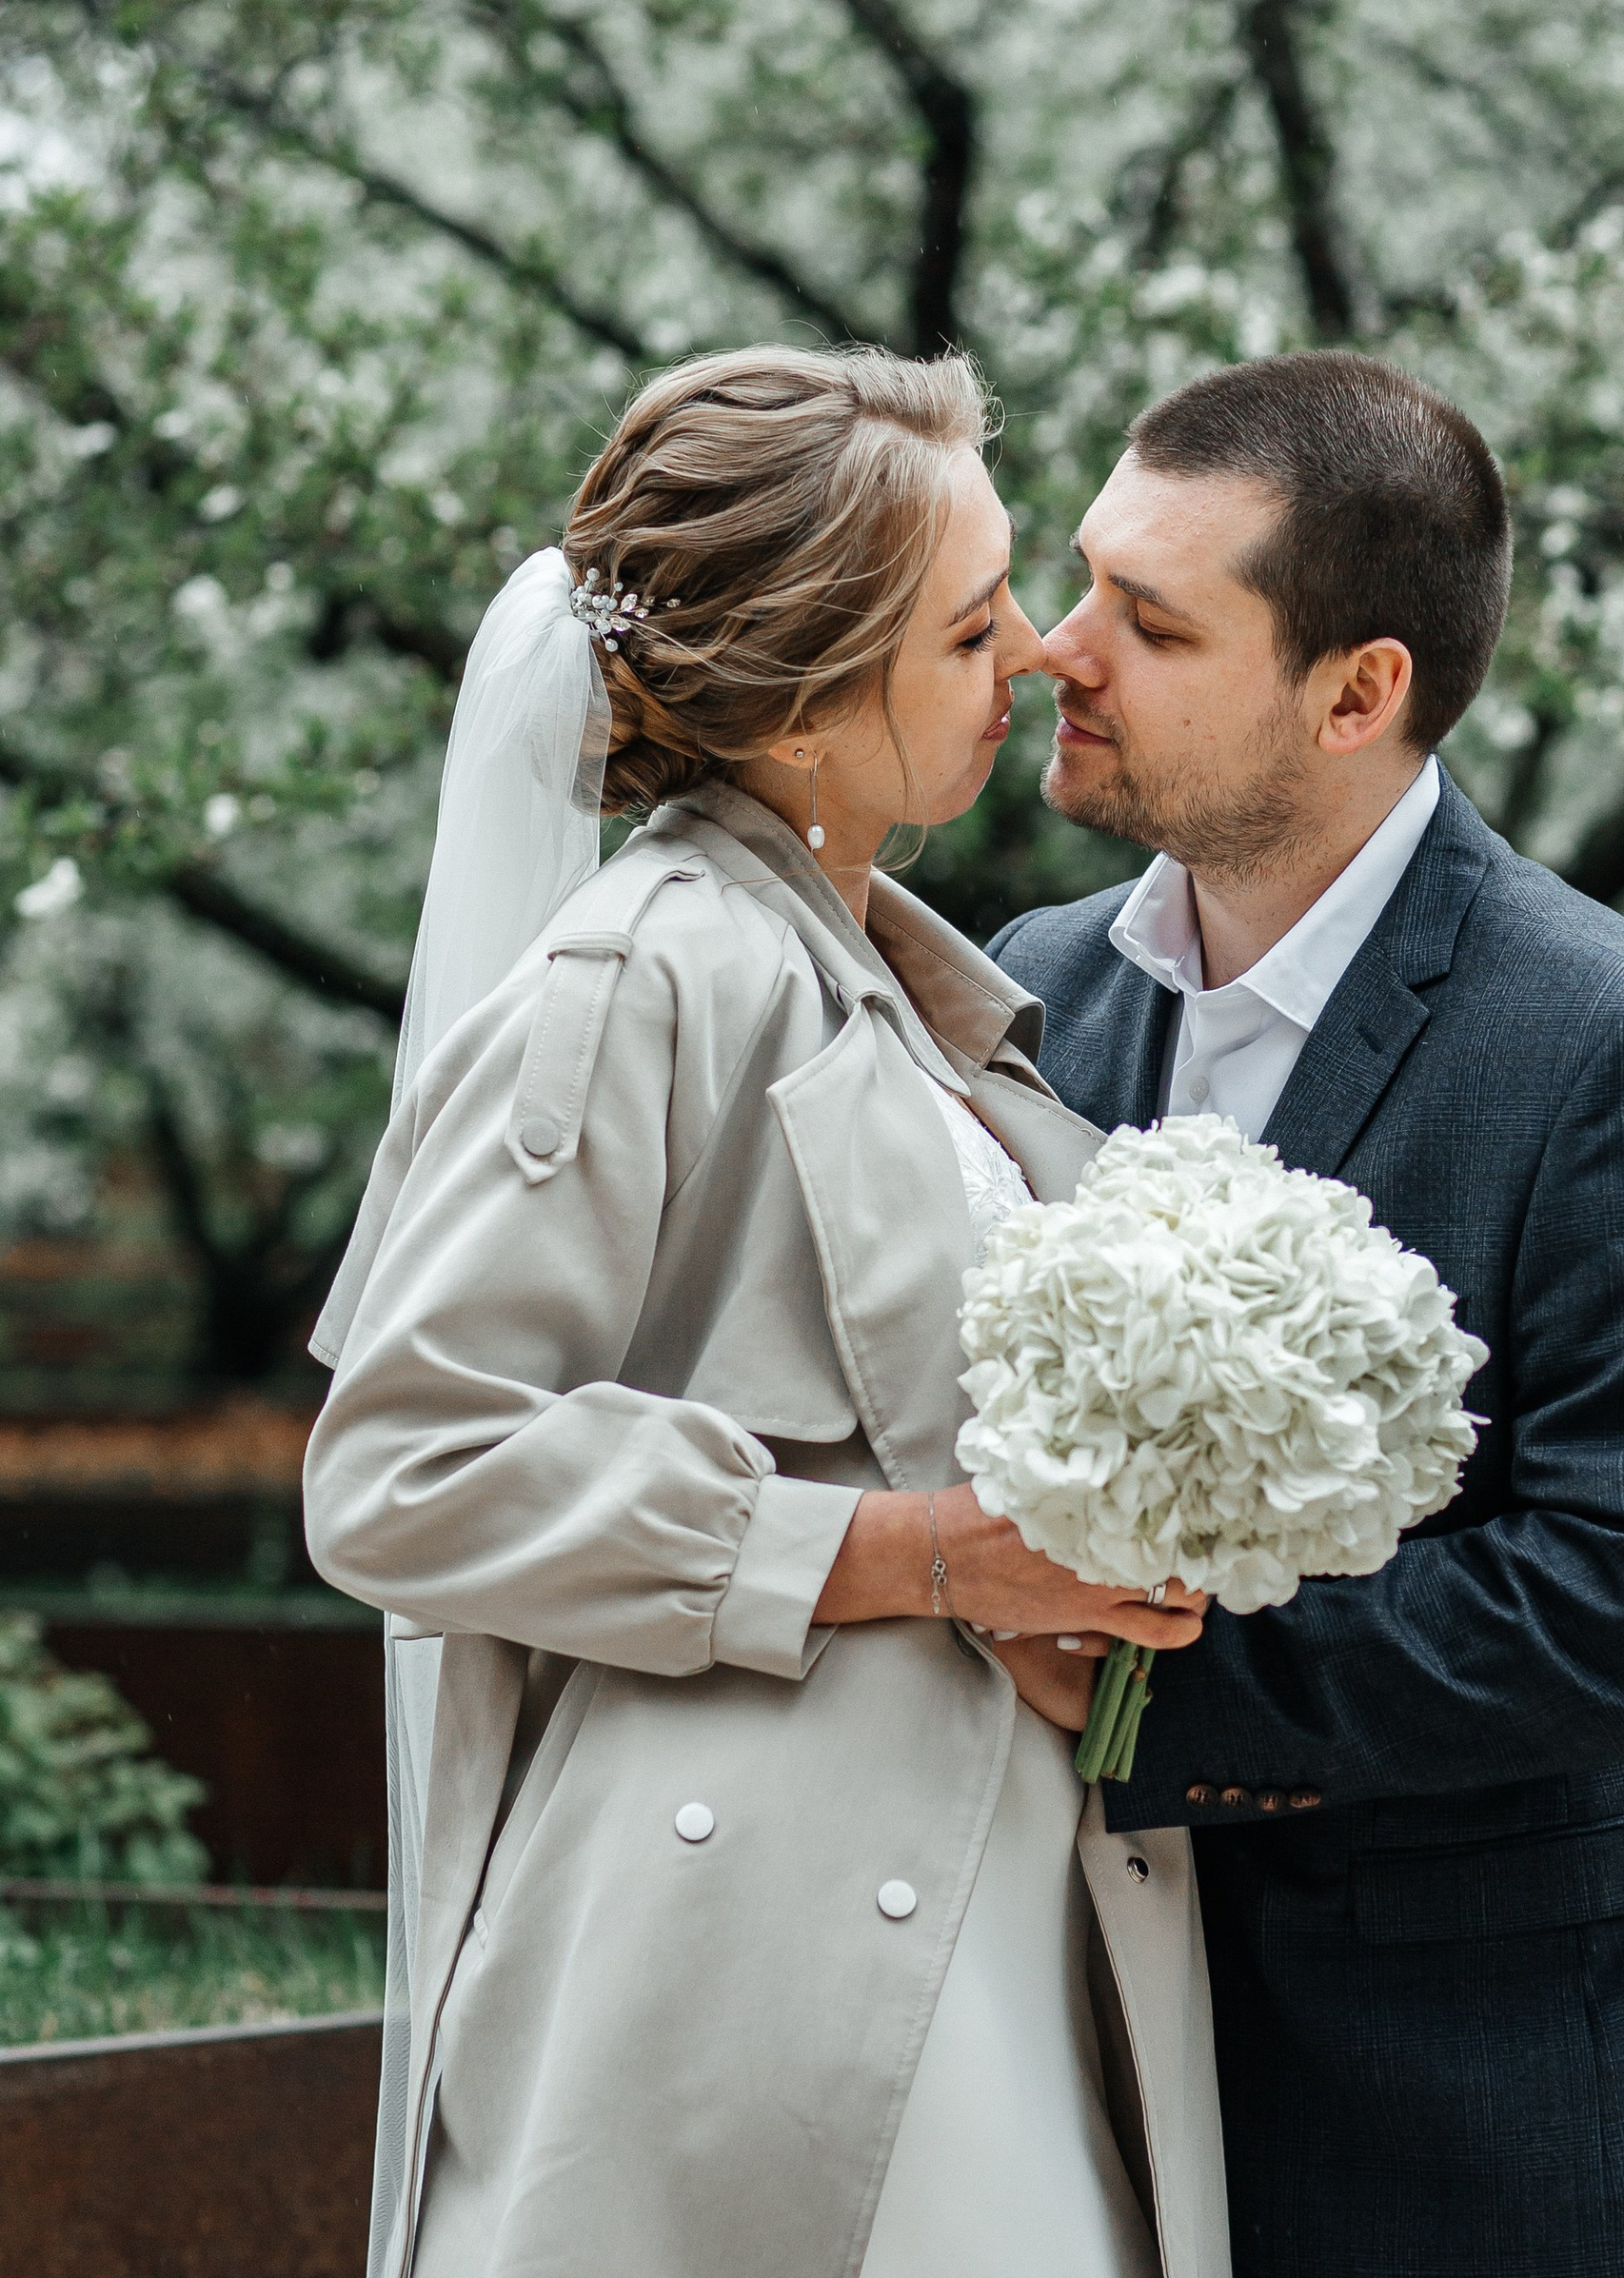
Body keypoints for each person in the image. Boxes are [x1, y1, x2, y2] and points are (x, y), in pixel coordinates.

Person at [302, 345, 1226, 2278]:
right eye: (968, 625)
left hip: (980, 1920)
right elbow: (403, 1469)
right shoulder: (645, 971)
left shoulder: (882, 974)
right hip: (742, 1956)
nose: (1034, 654)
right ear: (804, 699)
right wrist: (914, 1554)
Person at [990, 350, 1624, 2278]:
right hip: (1085, 2107)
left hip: (1501, 2135)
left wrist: (1151, 1690)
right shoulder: (1027, 990)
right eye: (1083, 581)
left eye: (1151, 621)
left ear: (1355, 692)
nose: (1059, 648)